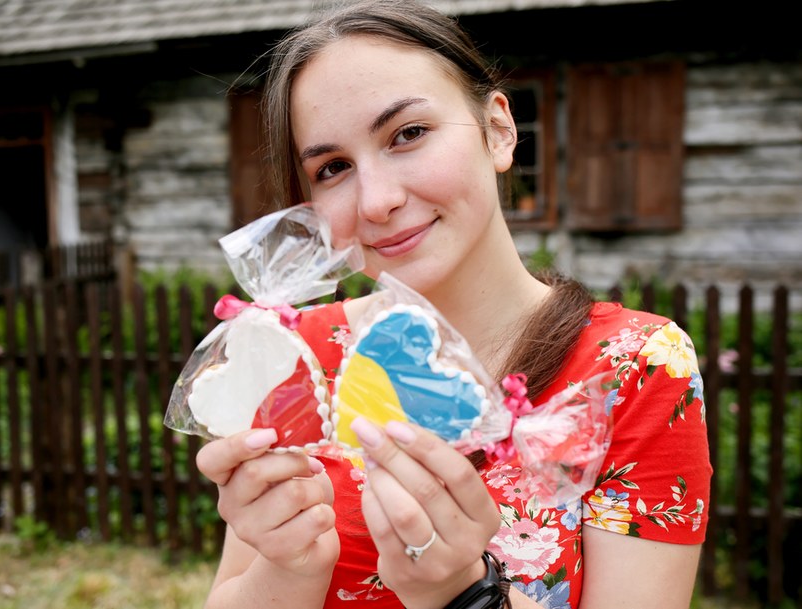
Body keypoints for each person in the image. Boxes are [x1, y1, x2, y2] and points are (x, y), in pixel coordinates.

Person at [195, 1, 712, 607]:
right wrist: (288, 568)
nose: (378, 200)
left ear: (498, 129)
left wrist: (462, 592)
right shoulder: (297, 358)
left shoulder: (635, 369)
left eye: (408, 134)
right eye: (333, 168)